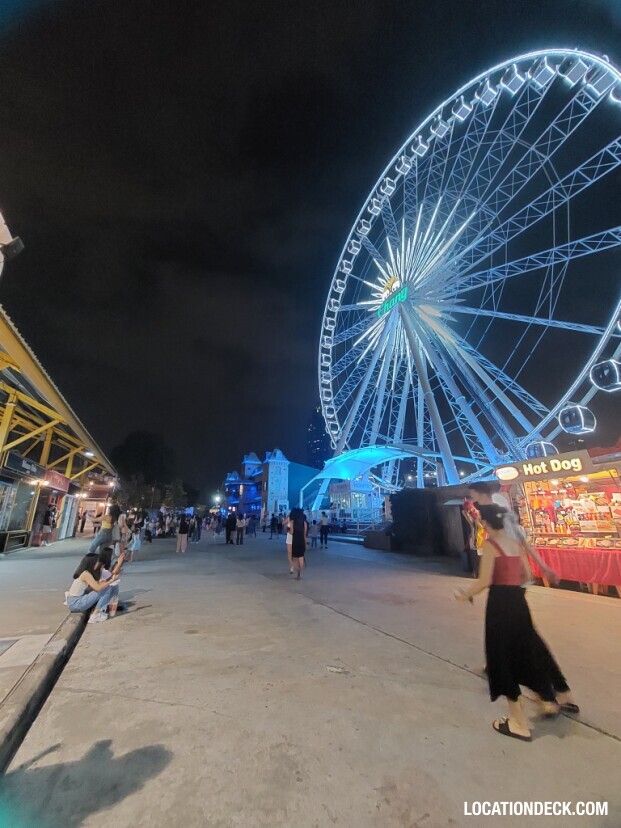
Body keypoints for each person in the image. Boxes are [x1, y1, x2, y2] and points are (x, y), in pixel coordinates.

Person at [455, 504, 578, 742]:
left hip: (500, 605)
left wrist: (464, 594)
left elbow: (483, 581)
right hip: (519, 604)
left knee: (501, 658)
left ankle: (519, 723)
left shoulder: (491, 545)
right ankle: (552, 696)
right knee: (525, 652)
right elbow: (527, 576)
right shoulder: (515, 544)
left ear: (486, 524)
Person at [468, 482, 559, 585]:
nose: (472, 500)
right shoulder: (483, 513)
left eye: (473, 496)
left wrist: (543, 567)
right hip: (502, 571)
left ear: (482, 495)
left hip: (510, 571)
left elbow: (522, 541)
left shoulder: (500, 513)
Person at [66, 553, 119, 624]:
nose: (98, 564)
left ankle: (100, 609)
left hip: (73, 602)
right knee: (106, 588)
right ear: (92, 563)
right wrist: (112, 580)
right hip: (76, 603)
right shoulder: (86, 574)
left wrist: (100, 582)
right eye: (97, 562)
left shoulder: (85, 572)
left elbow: (89, 588)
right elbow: (98, 588)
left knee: (105, 587)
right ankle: (96, 614)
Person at [290, 507, 308, 580]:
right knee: (301, 557)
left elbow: (291, 532)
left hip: (295, 541)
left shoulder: (292, 522)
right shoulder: (304, 523)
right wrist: (305, 543)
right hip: (302, 542)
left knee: (294, 558)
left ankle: (294, 570)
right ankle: (299, 574)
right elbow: (304, 534)